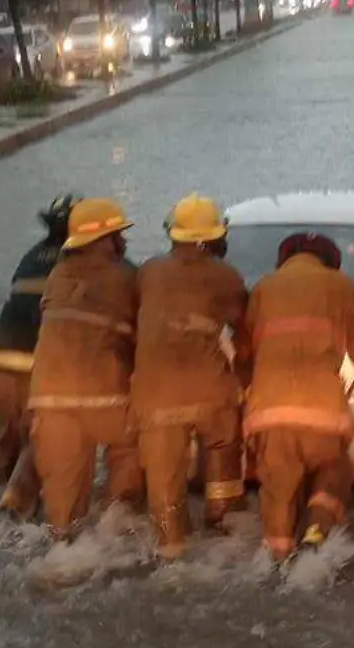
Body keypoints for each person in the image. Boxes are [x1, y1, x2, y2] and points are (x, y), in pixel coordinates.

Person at [243, 232, 354, 562]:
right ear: (331, 261)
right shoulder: (345, 288)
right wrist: (340, 384)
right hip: (324, 414)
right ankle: (317, 530)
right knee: (336, 467)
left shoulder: (262, 288)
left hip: (268, 416)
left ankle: (277, 560)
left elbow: (245, 352)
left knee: (278, 494)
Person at [132, 193, 251, 560]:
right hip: (209, 393)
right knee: (223, 451)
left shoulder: (148, 271)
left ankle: (170, 551)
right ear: (208, 239)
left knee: (165, 489)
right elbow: (244, 329)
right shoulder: (225, 275)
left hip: (156, 397)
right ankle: (222, 520)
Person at [28, 197, 144, 541]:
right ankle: (117, 528)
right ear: (103, 240)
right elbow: (148, 342)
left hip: (49, 400)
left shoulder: (56, 276)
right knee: (133, 451)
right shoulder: (128, 277)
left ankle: (63, 558)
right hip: (105, 398)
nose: (123, 243)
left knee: (61, 519)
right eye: (118, 236)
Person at [0, 193, 81, 520]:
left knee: (3, 438)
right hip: (36, 363)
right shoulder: (78, 262)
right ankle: (19, 505)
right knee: (39, 435)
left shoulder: (29, 257)